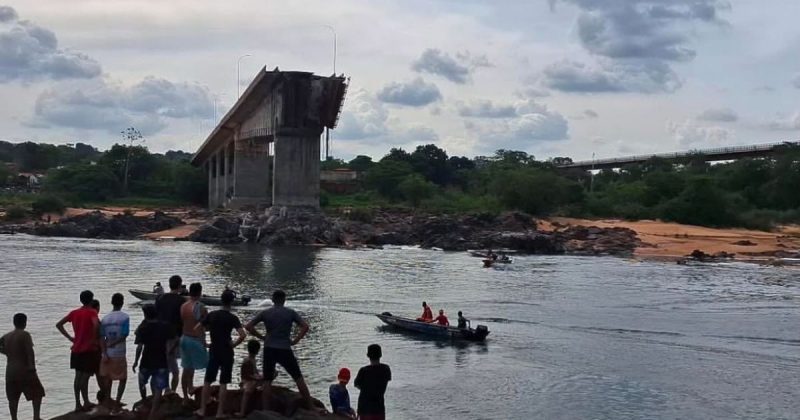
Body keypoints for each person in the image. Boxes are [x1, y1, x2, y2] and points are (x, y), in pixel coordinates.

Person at [245, 289, 312, 411]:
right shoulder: (290, 313)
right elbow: (305, 327)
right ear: (284, 300)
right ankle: (311, 407)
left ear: (272, 300)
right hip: (284, 348)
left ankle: (266, 410)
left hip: (269, 347)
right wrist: (295, 340)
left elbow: (248, 326)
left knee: (267, 380)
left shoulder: (266, 313)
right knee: (298, 378)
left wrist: (262, 337)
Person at [195, 290, 246, 418]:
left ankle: (202, 409)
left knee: (208, 380)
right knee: (224, 382)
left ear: (221, 301)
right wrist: (233, 345)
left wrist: (204, 343)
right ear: (231, 302)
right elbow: (242, 335)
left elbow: (197, 328)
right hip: (227, 351)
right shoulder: (232, 318)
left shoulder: (212, 315)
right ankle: (219, 412)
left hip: (214, 349)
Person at [56, 290, 100, 412]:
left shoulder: (74, 313)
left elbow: (59, 324)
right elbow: (96, 325)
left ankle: (78, 403)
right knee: (84, 377)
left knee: (78, 377)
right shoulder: (92, 312)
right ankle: (85, 401)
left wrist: (70, 338)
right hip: (88, 350)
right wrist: (93, 339)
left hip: (76, 349)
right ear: (91, 300)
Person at [1, 313, 45, 420]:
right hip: (24, 370)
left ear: (14, 322)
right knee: (37, 393)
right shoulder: (25, 334)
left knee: (13, 398)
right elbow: (30, 351)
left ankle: (14, 419)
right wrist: (32, 367)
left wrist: (6, 352)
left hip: (10, 371)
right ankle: (36, 417)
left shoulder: (6, 336)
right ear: (25, 322)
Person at [132, 304, 172, 420]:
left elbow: (139, 347)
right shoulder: (165, 326)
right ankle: (153, 412)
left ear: (145, 315)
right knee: (158, 387)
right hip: (161, 360)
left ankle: (145, 402)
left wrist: (135, 361)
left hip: (146, 360)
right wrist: (169, 351)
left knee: (142, 382)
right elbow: (173, 340)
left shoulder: (142, 328)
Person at [154, 275, 184, 393]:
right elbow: (181, 321)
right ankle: (170, 391)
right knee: (174, 370)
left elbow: (155, 317)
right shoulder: (181, 301)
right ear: (179, 285)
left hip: (159, 336)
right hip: (174, 336)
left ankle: (160, 391)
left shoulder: (160, 299)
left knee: (163, 365)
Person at [179, 282, 208, 402]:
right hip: (195, 339)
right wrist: (204, 342)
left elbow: (183, 322)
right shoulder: (201, 307)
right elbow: (204, 325)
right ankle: (206, 394)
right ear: (200, 292)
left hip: (184, 338)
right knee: (209, 364)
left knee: (187, 367)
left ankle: (186, 394)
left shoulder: (184, 306)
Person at [99, 293, 129, 407]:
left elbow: (101, 337)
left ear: (112, 302)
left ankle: (107, 400)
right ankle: (117, 401)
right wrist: (114, 343)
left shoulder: (105, 319)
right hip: (119, 353)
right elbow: (124, 335)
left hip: (108, 353)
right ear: (122, 302)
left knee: (109, 378)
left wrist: (104, 352)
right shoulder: (125, 317)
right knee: (123, 378)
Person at [354, 344, 391, 420]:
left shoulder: (363, 371)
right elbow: (386, 382)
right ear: (380, 355)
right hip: (379, 408)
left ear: (368, 355)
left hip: (365, 408)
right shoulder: (386, 369)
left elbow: (357, 385)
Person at [235, 340, 263, 417]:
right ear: (257, 350)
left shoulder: (253, 360)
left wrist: (259, 376)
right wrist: (257, 378)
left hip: (252, 380)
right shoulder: (247, 361)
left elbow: (255, 372)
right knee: (247, 392)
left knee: (269, 375)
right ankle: (242, 412)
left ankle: (261, 388)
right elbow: (246, 375)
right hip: (246, 381)